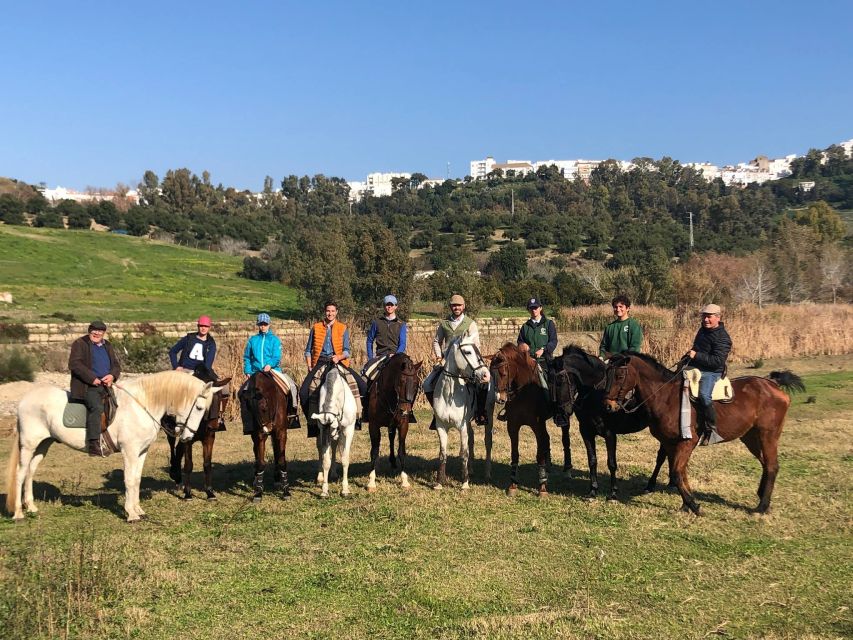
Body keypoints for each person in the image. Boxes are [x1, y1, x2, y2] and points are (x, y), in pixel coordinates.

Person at [299, 302, 366, 427]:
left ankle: (356, 418)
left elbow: (347, 351)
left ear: (337, 312)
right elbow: (308, 350)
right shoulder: (316, 327)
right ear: (325, 312)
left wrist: (339, 357)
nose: (330, 313)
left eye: (333, 311)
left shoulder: (342, 327)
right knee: (303, 392)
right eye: (328, 311)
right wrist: (309, 366)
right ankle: (312, 423)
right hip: (320, 362)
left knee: (362, 386)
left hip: (338, 362)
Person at [422, 294, 483, 429]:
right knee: (427, 384)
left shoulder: (470, 323)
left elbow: (476, 344)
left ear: (463, 306)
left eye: (459, 305)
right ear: (450, 307)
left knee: (481, 383)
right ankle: (437, 414)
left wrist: (472, 362)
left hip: (465, 363)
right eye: (454, 305)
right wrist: (439, 357)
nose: (456, 307)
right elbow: (437, 341)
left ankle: (479, 413)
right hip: (446, 362)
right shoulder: (444, 323)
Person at [69, 321, 121, 456]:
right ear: (89, 330)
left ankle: (111, 439)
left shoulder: (107, 345)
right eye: (94, 330)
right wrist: (92, 378)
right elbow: (75, 364)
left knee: (117, 406)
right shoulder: (80, 343)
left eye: (100, 331)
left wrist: (112, 375)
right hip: (87, 386)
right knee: (97, 408)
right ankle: (93, 444)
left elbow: (116, 365)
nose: (97, 333)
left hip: (106, 385)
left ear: (104, 333)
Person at [241, 313, 300, 431]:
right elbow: (247, 357)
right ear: (258, 325)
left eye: (265, 324)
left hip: (273, 371)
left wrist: (270, 365)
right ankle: (248, 421)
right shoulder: (253, 340)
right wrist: (247, 370)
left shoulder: (274, 340)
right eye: (261, 324)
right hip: (255, 372)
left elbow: (276, 357)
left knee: (292, 386)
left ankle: (291, 415)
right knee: (242, 392)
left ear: (269, 324)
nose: (263, 326)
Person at [686, 303, 732, 444]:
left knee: (704, 396)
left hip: (712, 372)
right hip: (696, 368)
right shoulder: (702, 330)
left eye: (709, 317)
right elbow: (697, 348)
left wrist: (696, 355)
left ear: (718, 317)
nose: (705, 320)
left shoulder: (723, 338)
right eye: (704, 316)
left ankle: (711, 430)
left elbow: (717, 361)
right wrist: (687, 358)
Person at [516, 297, 566, 426]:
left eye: (536, 308)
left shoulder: (548, 324)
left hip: (545, 360)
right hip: (529, 361)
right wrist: (522, 346)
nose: (534, 310)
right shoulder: (525, 326)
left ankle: (558, 412)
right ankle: (511, 410)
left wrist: (543, 350)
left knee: (554, 382)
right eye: (531, 308)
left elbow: (553, 341)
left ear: (540, 308)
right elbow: (520, 341)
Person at [362, 294, 408, 421]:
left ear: (396, 307)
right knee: (369, 379)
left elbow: (403, 343)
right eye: (387, 304)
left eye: (392, 305)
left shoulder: (401, 324)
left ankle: (407, 411)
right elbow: (370, 340)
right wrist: (371, 357)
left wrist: (396, 355)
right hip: (380, 357)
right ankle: (366, 411)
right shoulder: (377, 322)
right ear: (384, 306)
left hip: (396, 357)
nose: (389, 307)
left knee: (407, 381)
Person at [599, 295, 643, 360]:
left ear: (627, 308)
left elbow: (635, 348)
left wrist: (620, 357)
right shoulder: (610, 327)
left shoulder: (634, 325)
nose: (618, 309)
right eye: (615, 307)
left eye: (621, 307)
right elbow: (603, 347)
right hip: (611, 362)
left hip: (627, 362)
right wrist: (601, 357)